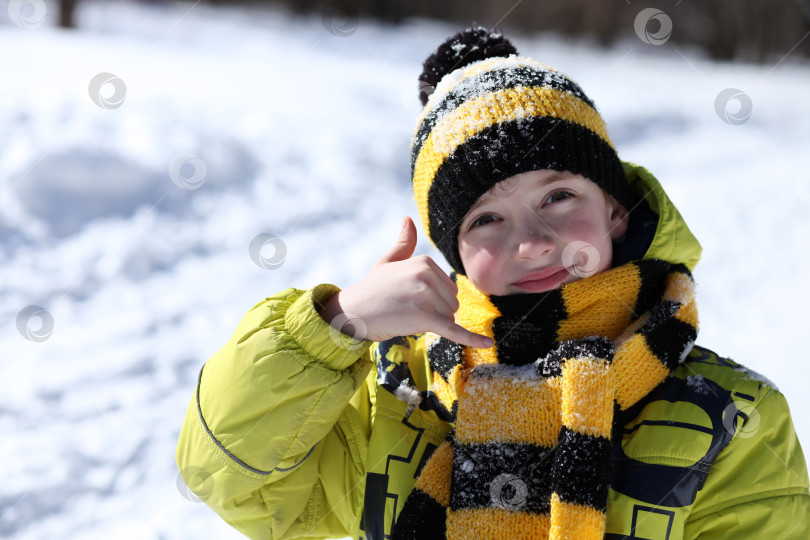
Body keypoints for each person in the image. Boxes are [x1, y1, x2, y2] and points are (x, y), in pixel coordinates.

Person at [175, 27, 810, 540]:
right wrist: (333, 326)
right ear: (453, 251)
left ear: (616, 207)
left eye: (559, 195)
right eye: (486, 219)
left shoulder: (731, 418)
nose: (532, 242)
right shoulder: (399, 394)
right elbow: (231, 477)